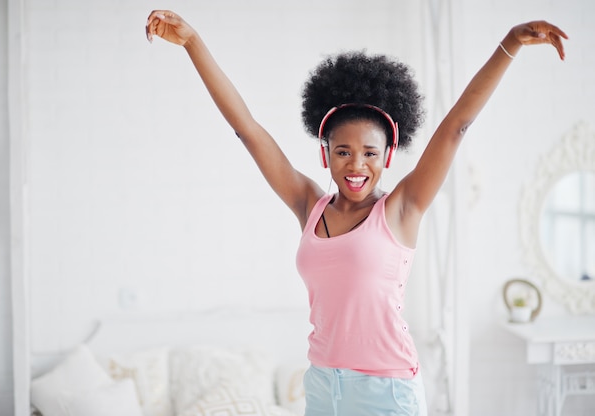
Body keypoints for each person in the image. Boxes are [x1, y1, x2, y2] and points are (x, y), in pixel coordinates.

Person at [145, 10, 567, 416]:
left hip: (387, 391)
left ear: (388, 155)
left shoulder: (402, 208)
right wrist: (192, 44)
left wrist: (509, 44)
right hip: (323, 386)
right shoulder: (309, 205)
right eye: (343, 151)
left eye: (370, 153)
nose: (356, 165)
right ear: (325, 154)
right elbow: (248, 130)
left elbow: (456, 126)